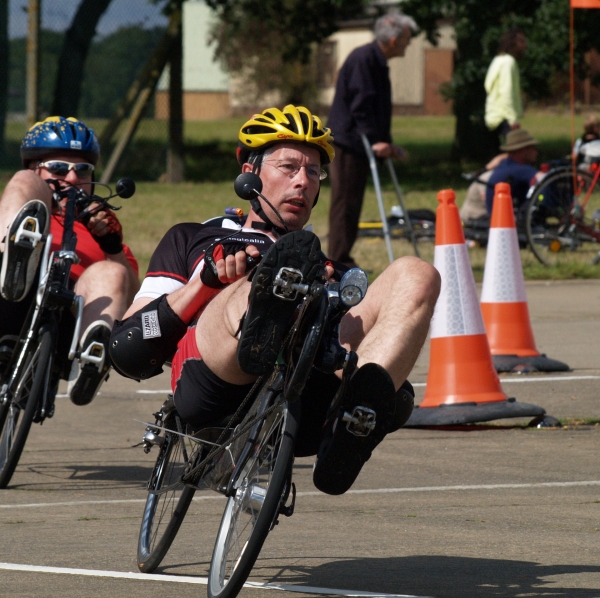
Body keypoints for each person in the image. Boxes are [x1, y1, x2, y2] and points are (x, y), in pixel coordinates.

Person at [109, 104, 440, 496]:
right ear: (249, 173)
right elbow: (129, 345)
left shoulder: (330, 267)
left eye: (313, 172)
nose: (302, 181)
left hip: (305, 403)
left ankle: (357, 416)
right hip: (215, 386)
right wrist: (207, 283)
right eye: (288, 167)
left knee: (417, 273)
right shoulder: (194, 238)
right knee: (260, 277)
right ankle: (267, 303)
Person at [0, 116, 140, 405]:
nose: (73, 179)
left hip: (67, 325)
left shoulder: (104, 235)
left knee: (113, 272)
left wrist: (112, 247)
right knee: (24, 187)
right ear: (34, 167)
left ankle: (91, 359)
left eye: (83, 170)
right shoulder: (11, 204)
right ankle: (17, 258)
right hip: (9, 298)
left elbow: (137, 305)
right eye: (59, 168)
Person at [326, 13, 417, 268]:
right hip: (348, 142)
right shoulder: (364, 59)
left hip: (359, 142)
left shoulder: (376, 60)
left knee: (353, 202)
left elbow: (377, 108)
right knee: (345, 203)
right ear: (394, 40)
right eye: (407, 39)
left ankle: (342, 257)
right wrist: (375, 140)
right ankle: (337, 260)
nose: (408, 44)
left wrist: (386, 141)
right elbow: (361, 103)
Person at [484, 28, 527, 148]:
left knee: (504, 152)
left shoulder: (498, 60)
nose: (525, 45)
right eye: (521, 41)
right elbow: (506, 92)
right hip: (504, 118)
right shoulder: (508, 62)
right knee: (516, 152)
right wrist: (512, 119)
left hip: (494, 116)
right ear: (512, 43)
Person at [485, 128, 540, 215]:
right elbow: (543, 179)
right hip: (509, 220)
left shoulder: (505, 165)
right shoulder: (520, 169)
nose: (536, 153)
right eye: (533, 148)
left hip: (495, 217)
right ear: (523, 150)